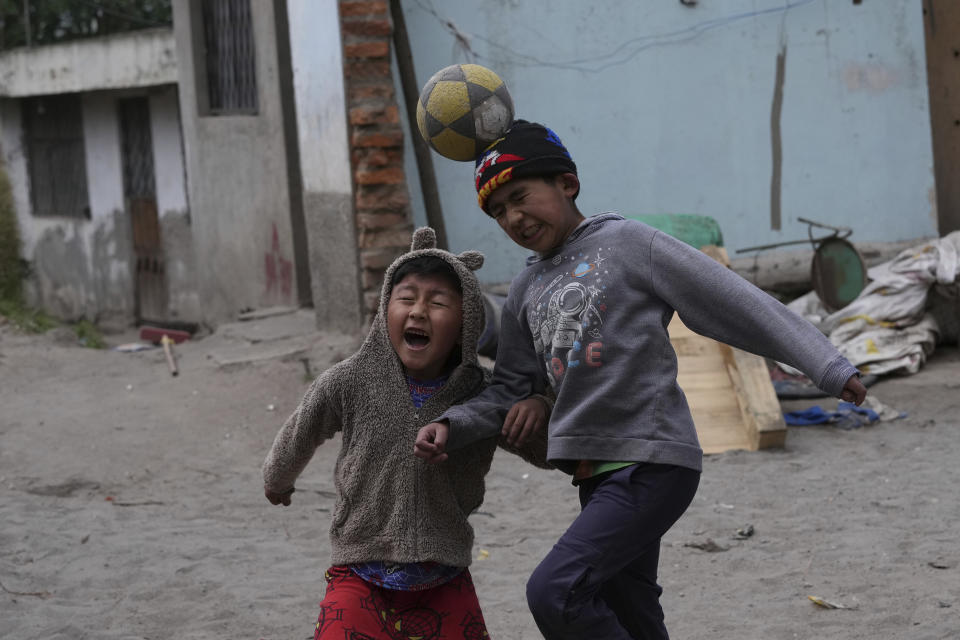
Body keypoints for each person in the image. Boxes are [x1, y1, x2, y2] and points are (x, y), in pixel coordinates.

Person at [414, 120, 868, 639]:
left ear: (567, 182)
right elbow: (510, 389)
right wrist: (454, 425)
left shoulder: (627, 243)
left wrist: (826, 365)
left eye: (521, 196)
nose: (514, 217)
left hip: (652, 460)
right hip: (592, 471)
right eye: (499, 212)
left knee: (554, 591)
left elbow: (731, 299)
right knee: (628, 607)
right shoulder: (524, 288)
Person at [263, 227, 551, 640]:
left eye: (437, 302)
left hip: (445, 573)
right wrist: (277, 478)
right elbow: (300, 431)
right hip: (358, 568)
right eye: (406, 298)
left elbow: (545, 452)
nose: (418, 311)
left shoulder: (483, 397)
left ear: (466, 322)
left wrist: (539, 406)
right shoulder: (349, 381)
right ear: (385, 310)